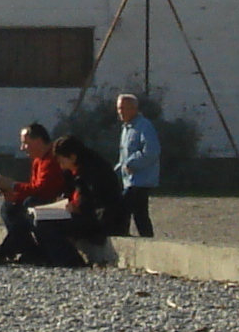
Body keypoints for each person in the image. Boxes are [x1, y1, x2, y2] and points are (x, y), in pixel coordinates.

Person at [0, 123, 75, 266]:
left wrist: (13, 186)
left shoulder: (52, 159)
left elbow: (43, 189)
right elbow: (34, 187)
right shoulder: (38, 160)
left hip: (58, 202)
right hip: (43, 198)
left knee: (29, 205)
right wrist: (13, 193)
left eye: (25, 144)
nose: (22, 148)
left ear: (38, 141)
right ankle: (30, 252)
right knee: (9, 208)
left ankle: (4, 251)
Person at [53, 135, 120, 262]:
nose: (61, 166)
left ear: (73, 157)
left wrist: (77, 207)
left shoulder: (94, 169)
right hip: (85, 214)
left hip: (101, 219)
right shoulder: (72, 169)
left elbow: (96, 201)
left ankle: (68, 259)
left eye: (62, 162)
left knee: (57, 226)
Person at [114, 93, 161, 238]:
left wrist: (132, 163)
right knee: (140, 215)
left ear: (134, 109)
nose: (120, 112)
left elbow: (152, 151)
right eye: (119, 108)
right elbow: (124, 158)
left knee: (122, 209)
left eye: (124, 108)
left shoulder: (144, 126)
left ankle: (122, 237)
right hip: (129, 180)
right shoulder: (126, 129)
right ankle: (147, 241)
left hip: (141, 180)